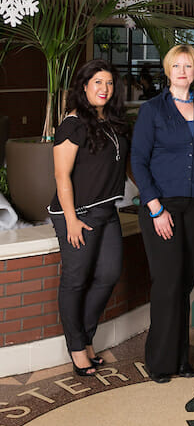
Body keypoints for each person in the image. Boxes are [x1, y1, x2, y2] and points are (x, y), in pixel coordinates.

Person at [131, 44, 194, 383]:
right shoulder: (152, 110)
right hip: (162, 206)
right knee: (168, 282)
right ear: (168, 70)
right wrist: (156, 208)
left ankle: (181, 358)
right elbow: (138, 161)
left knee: (186, 281)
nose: (182, 71)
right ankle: (159, 361)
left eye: (188, 65)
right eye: (176, 65)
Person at [49, 60, 130, 376]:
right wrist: (70, 219)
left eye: (109, 83)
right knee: (75, 281)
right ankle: (77, 348)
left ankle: (84, 335)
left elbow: (123, 163)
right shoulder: (73, 124)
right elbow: (61, 174)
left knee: (109, 274)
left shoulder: (113, 121)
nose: (104, 89)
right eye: (97, 82)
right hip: (78, 213)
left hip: (107, 210)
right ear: (84, 86)